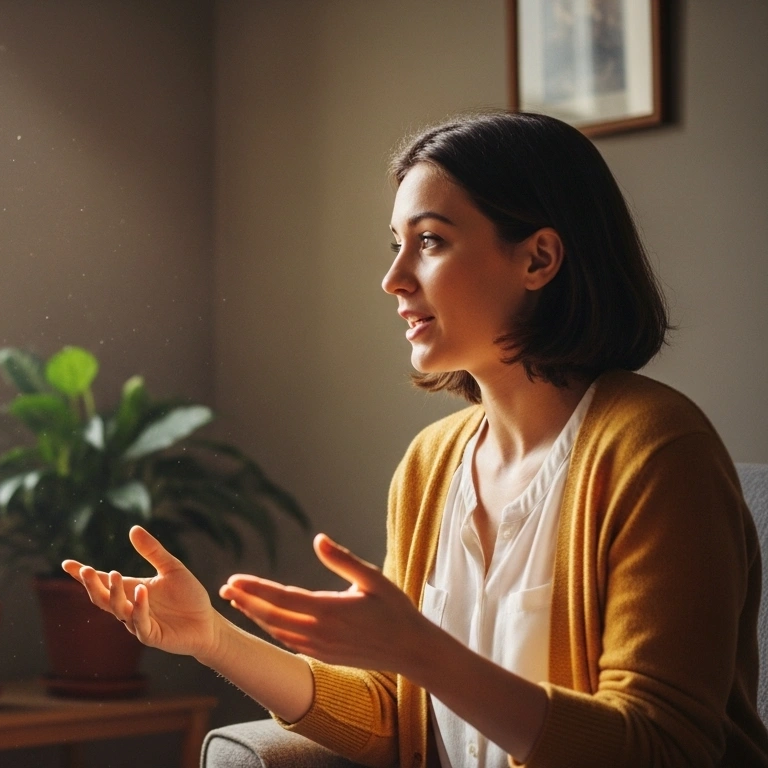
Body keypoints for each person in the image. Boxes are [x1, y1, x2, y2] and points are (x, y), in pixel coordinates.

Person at [63, 112, 768, 767]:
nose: (393, 279)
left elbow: (662, 747)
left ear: (539, 259)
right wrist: (213, 639)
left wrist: (423, 652)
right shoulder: (432, 464)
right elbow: (394, 717)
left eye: (429, 241)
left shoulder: (658, 451)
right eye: (397, 244)